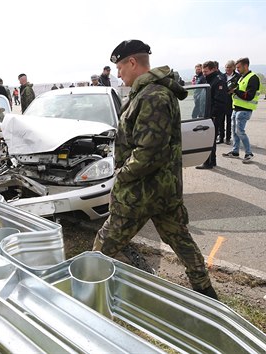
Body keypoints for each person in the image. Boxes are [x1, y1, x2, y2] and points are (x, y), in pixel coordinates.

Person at [92, 40, 218, 300]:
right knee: (181, 241)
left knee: (105, 242)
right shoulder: (150, 92)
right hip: (162, 190)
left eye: (119, 67)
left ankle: (89, 285)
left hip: (141, 193)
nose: (118, 74)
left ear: (132, 63)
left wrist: (121, 175)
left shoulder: (152, 96)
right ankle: (206, 291)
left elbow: (149, 152)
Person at [222, 57, 260, 164]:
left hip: (244, 109)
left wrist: (235, 91)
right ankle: (235, 151)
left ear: (246, 66)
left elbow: (249, 96)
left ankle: (249, 153)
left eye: (238, 67)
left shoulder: (253, 78)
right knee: (235, 132)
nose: (237, 69)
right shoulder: (242, 77)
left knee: (240, 132)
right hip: (236, 108)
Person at [196, 61, 228, 170]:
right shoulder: (210, 79)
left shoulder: (218, 81)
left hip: (213, 116)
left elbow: (219, 101)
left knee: (208, 139)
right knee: (209, 139)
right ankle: (211, 161)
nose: (204, 73)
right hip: (207, 114)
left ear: (213, 69)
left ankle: (208, 162)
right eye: (203, 71)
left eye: (206, 71)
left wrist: (213, 115)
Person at [219, 60, 240, 144]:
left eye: (229, 67)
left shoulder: (238, 77)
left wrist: (234, 90)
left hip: (232, 101)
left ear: (233, 67)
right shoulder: (221, 76)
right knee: (221, 120)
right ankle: (221, 138)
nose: (227, 69)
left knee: (229, 121)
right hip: (222, 101)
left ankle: (228, 138)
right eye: (226, 67)